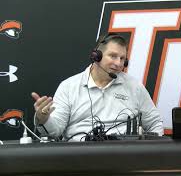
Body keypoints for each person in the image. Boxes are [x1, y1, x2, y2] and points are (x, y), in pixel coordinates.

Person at [31, 33, 163, 141]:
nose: (118, 63)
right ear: (96, 56)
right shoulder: (69, 86)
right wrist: (44, 119)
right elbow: (55, 131)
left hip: (125, 157)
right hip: (80, 158)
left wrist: (150, 152)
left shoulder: (134, 86)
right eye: (113, 56)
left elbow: (155, 123)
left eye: (122, 59)